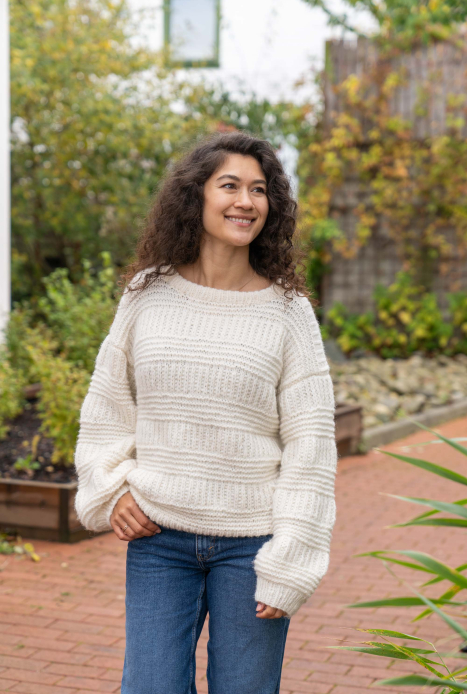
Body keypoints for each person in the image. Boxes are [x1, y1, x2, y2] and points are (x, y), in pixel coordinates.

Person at [74, 131, 338, 694]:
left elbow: (311, 444)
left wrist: (292, 556)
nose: (247, 201)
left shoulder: (288, 312)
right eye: (230, 186)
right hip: (158, 538)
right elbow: (108, 405)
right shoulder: (146, 294)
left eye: (259, 190)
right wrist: (111, 488)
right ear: (196, 195)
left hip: (253, 544)